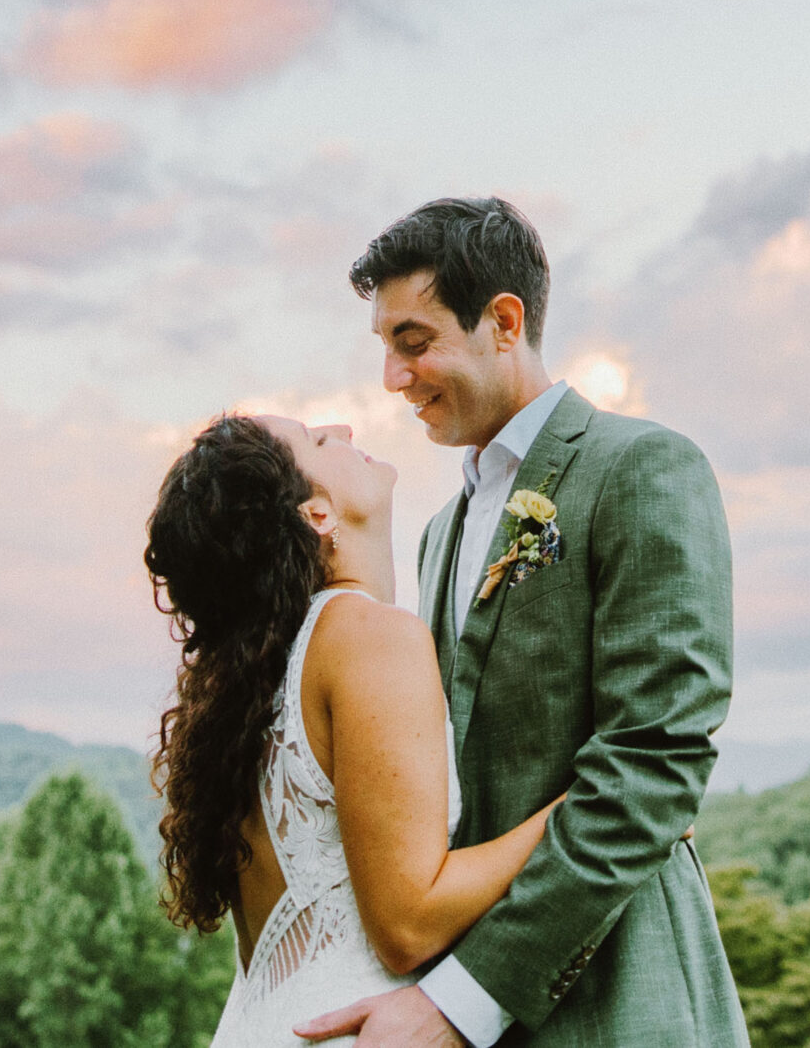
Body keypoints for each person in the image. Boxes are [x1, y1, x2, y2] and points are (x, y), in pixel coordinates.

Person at [298, 197, 749, 1047]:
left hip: (620, 998)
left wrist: (459, 1004)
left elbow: (655, 761)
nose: (393, 378)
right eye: (385, 348)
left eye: (413, 341)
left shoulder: (640, 467)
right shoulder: (439, 535)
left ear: (503, 321)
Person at [146, 411, 564, 1046]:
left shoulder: (270, 672)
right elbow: (408, 925)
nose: (340, 429)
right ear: (316, 513)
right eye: (317, 441)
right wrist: (583, 805)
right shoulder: (366, 634)